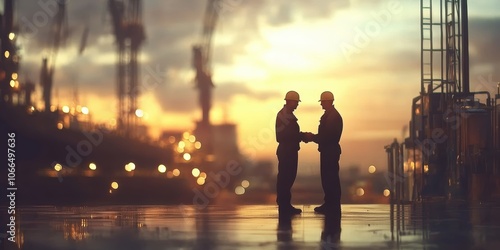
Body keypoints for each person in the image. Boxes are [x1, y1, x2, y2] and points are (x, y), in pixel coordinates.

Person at [275, 90, 311, 215]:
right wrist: (302, 136)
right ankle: (284, 205)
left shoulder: (286, 114)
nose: (297, 105)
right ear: (290, 102)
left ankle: (284, 204)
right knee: (286, 178)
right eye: (296, 102)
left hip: (288, 151)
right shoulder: (285, 116)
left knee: (287, 178)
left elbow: (288, 134)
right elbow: (282, 136)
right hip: (287, 152)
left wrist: (301, 136)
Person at [309, 91, 343, 214]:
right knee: (328, 178)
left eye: (322, 102)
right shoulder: (330, 115)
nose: (321, 105)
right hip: (328, 151)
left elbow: (327, 136)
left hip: (330, 151)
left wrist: (312, 137)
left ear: (328, 102)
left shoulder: (332, 117)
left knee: (331, 179)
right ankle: (330, 203)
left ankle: (332, 204)